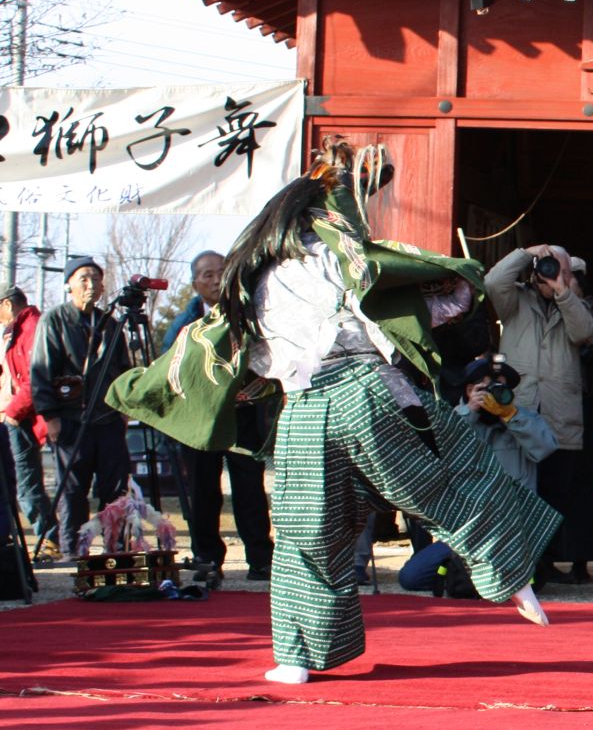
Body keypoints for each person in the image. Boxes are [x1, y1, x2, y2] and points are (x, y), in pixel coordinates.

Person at [108, 144, 560, 684]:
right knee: (449, 480)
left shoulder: (251, 280)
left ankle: (296, 657)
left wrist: (145, 385)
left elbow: (230, 357)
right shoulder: (346, 259)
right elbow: (444, 302)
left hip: (304, 409)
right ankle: (514, 578)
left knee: (306, 531)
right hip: (371, 394)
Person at [400, 353, 556, 594]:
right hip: (467, 531)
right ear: (470, 390)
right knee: (411, 577)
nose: (494, 393)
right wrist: (470, 410)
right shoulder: (454, 419)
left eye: (500, 387)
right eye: (485, 388)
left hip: (511, 531)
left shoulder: (523, 419)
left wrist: (510, 415)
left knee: (510, 582)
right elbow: (442, 450)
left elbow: (545, 447)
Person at [487, 242, 593, 583]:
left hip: (559, 413)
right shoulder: (515, 300)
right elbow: (493, 282)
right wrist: (526, 252)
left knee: (554, 493)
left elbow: (586, 332)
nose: (553, 275)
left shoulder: (574, 305)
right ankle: (520, 561)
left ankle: (543, 563)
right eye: (549, 268)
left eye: (562, 271)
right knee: (517, 489)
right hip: (519, 411)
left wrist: (563, 292)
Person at [165, 250, 274, 585]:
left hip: (242, 416)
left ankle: (260, 559)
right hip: (200, 420)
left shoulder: (248, 313)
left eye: (221, 273)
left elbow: (266, 357)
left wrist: (255, 386)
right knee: (203, 490)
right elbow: (170, 366)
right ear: (195, 283)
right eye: (208, 275)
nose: (216, 281)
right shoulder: (185, 323)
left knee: (250, 488)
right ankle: (207, 557)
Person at [30, 256, 133, 560]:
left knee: (116, 489)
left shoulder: (111, 323)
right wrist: (50, 417)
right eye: (84, 279)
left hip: (108, 418)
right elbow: (41, 371)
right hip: (70, 418)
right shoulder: (54, 320)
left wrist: (124, 411)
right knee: (73, 490)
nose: (91, 285)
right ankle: (73, 550)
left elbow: (123, 370)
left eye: (96, 279)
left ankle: (116, 547)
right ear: (69, 285)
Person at [0, 286, 57, 551]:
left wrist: (13, 413)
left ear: (7, 304)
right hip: (16, 416)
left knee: (25, 484)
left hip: (21, 418)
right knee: (20, 483)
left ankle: (49, 539)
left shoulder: (32, 326)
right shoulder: (17, 329)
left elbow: (36, 377)